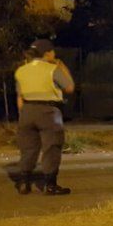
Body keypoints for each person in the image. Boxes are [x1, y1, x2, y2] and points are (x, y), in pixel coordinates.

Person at [14, 39, 75, 195]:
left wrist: (24, 114)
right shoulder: (52, 69)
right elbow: (69, 87)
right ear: (48, 53)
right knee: (51, 147)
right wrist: (60, 64)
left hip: (27, 112)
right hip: (49, 112)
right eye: (53, 51)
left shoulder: (21, 70)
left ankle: (24, 183)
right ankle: (50, 185)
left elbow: (20, 98)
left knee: (28, 149)